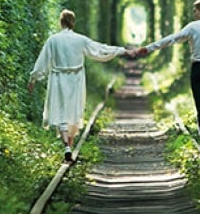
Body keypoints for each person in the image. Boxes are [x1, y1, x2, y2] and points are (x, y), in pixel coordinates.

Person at [29, 9, 134, 162]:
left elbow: (42, 61)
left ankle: (67, 146)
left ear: (61, 22)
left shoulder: (53, 40)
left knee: (61, 112)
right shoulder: (81, 40)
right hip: (76, 79)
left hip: (58, 79)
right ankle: (69, 146)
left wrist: (33, 79)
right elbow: (100, 49)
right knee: (73, 110)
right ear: (73, 22)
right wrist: (122, 51)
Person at [134, 0, 200, 156]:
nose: (194, 14)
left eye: (195, 11)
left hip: (198, 68)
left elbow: (173, 39)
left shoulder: (193, 27)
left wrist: (150, 48)